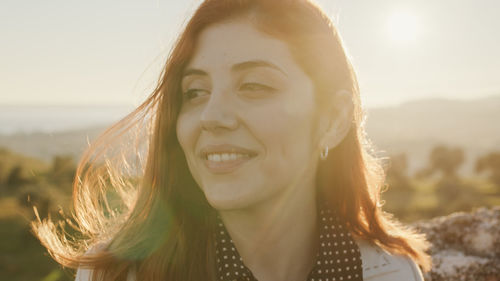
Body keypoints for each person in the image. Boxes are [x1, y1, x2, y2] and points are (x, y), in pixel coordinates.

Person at [32, 0, 431, 280]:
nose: (212, 117)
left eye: (254, 86)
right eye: (195, 92)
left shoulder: (390, 271)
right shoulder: (118, 275)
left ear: (333, 119)